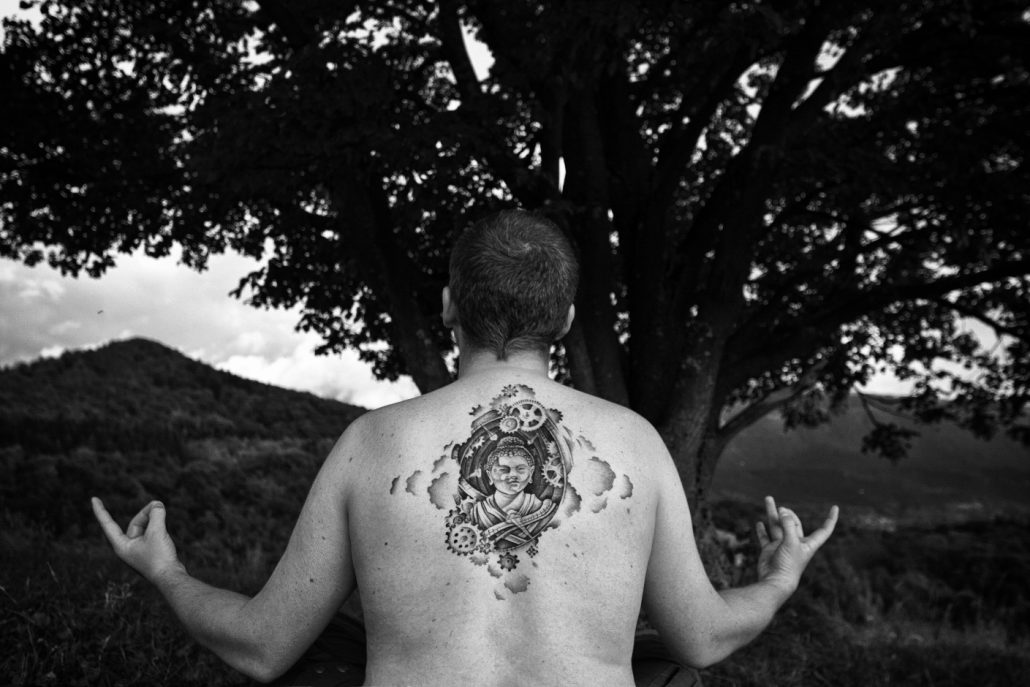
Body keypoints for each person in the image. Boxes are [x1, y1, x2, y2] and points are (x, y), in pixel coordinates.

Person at [92, 209, 838, 686]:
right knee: (674, 669)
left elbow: (263, 646)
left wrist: (167, 571)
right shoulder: (637, 446)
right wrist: (778, 579)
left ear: (449, 307)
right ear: (566, 319)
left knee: (327, 648)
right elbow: (703, 637)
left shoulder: (371, 443)